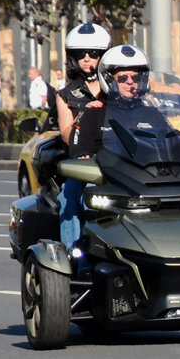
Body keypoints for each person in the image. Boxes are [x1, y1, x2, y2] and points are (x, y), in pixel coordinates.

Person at [65, 44, 151, 270]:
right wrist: (87, 163)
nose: (131, 82)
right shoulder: (93, 113)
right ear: (109, 80)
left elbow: (176, 144)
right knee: (72, 189)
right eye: (123, 78)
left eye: (136, 77)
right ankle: (75, 260)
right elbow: (78, 155)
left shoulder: (153, 113)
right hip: (108, 184)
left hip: (148, 183)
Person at [54, 22, 112, 254]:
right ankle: (73, 253)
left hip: (118, 158)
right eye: (81, 54)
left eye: (94, 54)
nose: (87, 59)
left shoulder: (119, 87)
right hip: (85, 161)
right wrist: (85, 114)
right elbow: (67, 135)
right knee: (69, 194)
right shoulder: (66, 95)